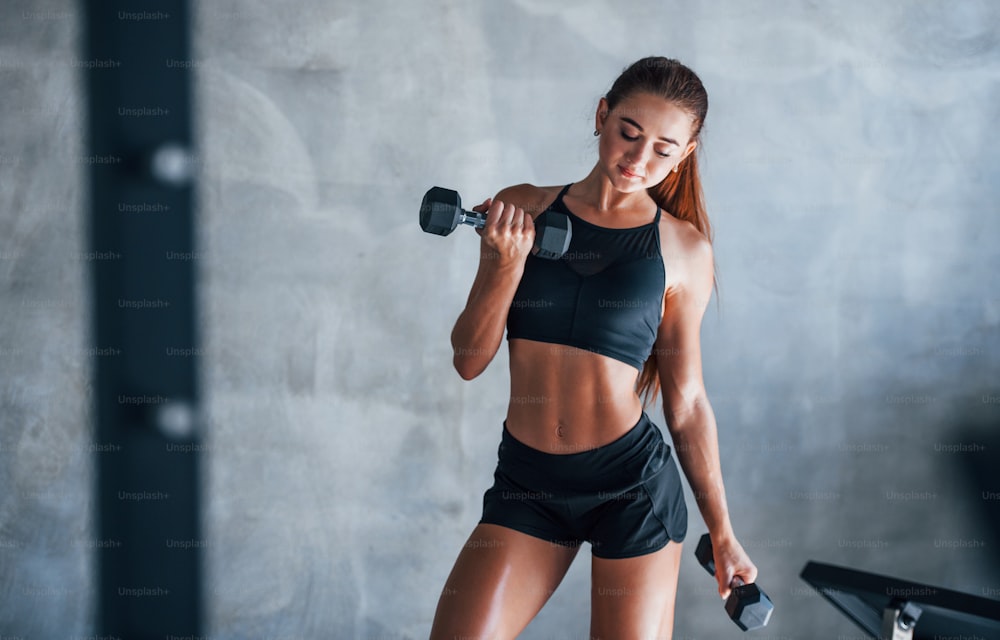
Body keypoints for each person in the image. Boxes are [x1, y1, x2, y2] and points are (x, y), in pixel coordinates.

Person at [429, 56, 758, 640]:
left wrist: (724, 533)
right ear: (603, 116)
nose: (638, 160)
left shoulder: (682, 250)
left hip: (630, 487)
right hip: (528, 484)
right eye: (629, 133)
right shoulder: (523, 206)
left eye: (662, 148)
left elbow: (687, 404)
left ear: (685, 153)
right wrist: (504, 263)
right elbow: (469, 360)